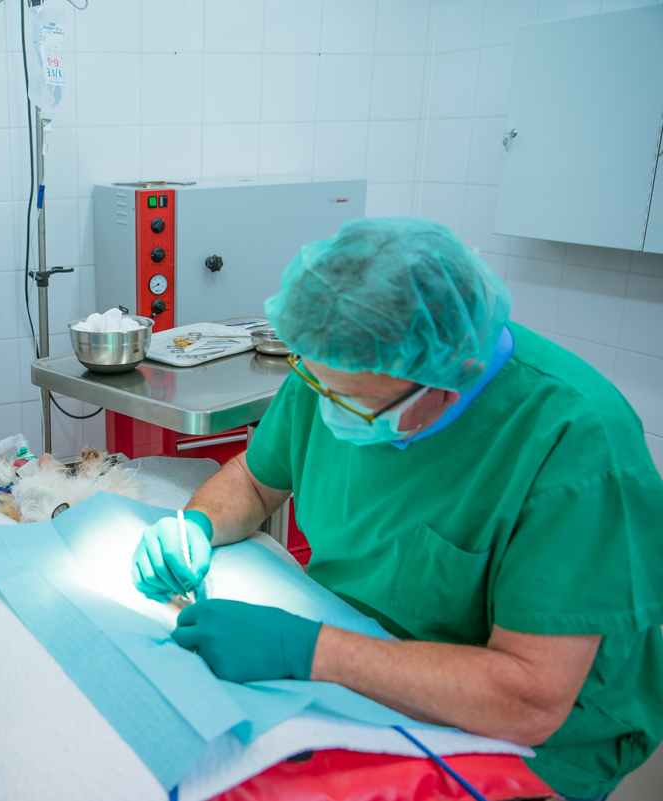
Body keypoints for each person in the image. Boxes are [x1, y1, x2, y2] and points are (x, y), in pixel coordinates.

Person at [131, 217, 663, 800]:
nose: (327, 409)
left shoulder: (578, 447)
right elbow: (256, 482)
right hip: (352, 658)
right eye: (317, 384)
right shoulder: (339, 361)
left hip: (521, 736)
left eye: (356, 406)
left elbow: (528, 699)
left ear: (447, 385)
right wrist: (198, 522)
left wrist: (305, 650)